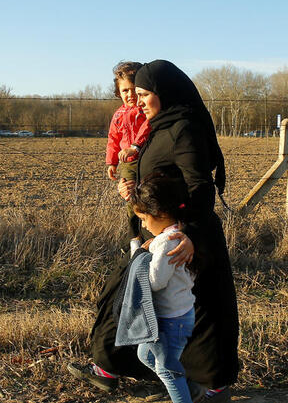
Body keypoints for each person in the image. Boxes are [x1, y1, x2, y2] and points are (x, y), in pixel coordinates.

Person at [68, 60, 239, 402]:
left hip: (186, 236)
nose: (139, 101)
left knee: (202, 310)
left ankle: (212, 387)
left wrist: (190, 234)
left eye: (145, 94)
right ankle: (111, 367)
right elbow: (156, 172)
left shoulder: (184, 128)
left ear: (165, 93)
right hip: (159, 231)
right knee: (131, 296)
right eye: (138, 93)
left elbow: (200, 186)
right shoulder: (159, 127)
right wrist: (131, 186)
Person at [116, 172, 196, 403]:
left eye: (143, 218)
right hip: (172, 315)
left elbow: (154, 281)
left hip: (171, 320)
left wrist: (140, 254)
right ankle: (188, 391)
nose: (143, 224)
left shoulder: (166, 243)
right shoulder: (175, 234)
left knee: (167, 369)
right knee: (146, 356)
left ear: (159, 213)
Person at [106, 61, 150, 183]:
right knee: (128, 188)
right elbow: (113, 139)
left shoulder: (146, 110)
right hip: (128, 162)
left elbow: (148, 127)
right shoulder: (118, 115)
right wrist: (112, 162)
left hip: (148, 158)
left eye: (134, 89)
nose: (131, 94)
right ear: (118, 92)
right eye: (125, 90)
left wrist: (135, 147)